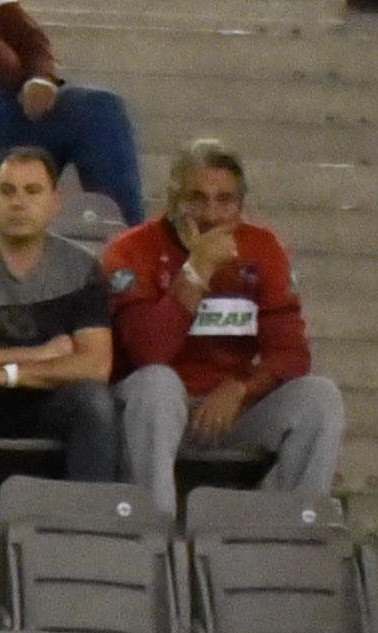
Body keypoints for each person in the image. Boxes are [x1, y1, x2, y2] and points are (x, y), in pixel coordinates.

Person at [110, 141, 338, 526]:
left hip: (229, 409)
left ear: (241, 205)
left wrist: (240, 388)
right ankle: (153, 531)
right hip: (154, 410)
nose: (211, 214)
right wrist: (195, 272)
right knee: (157, 384)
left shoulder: (262, 247)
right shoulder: (131, 249)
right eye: (196, 199)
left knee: (320, 397)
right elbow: (147, 351)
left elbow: (292, 352)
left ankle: (294, 529)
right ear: (172, 198)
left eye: (225, 200)